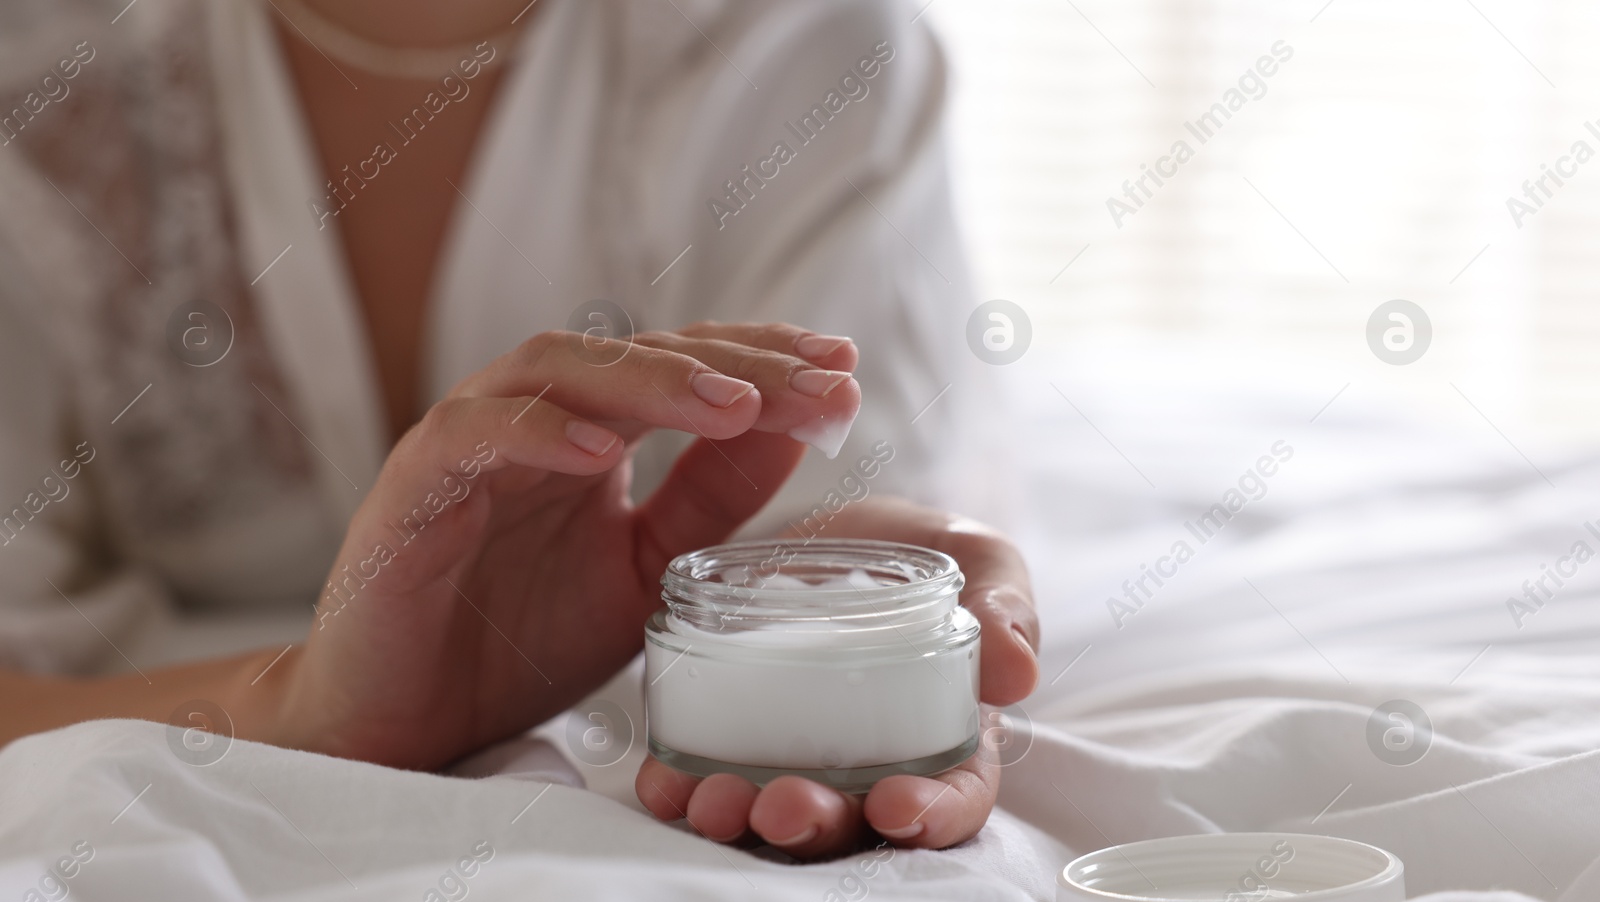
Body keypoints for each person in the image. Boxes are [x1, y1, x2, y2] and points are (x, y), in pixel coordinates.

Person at [0, 0, 1038, 858]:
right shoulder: (37, 67)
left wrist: (863, 591)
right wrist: (309, 705)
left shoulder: (806, 44)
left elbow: (839, 512)